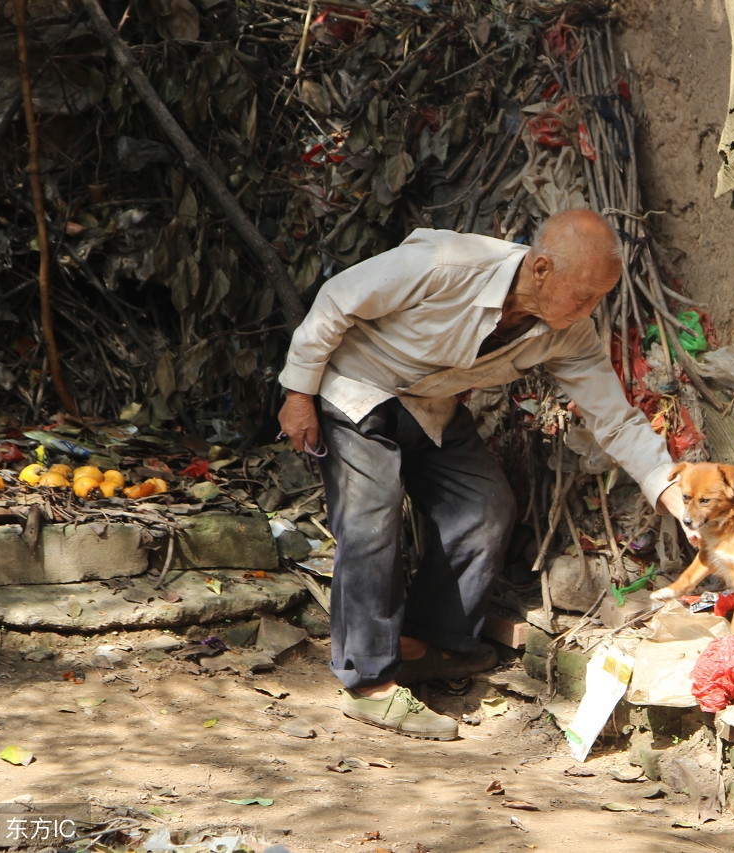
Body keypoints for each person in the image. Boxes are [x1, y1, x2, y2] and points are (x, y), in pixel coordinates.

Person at [277, 209, 688, 740]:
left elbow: (615, 417)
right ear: (541, 268)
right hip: (355, 386)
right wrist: (298, 393)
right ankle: (368, 682)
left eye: (599, 299)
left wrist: (671, 488)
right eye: (582, 295)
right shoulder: (447, 263)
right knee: (371, 516)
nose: (590, 310)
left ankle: (426, 644)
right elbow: (336, 299)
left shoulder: (569, 333)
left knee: (485, 507)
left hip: (430, 406)